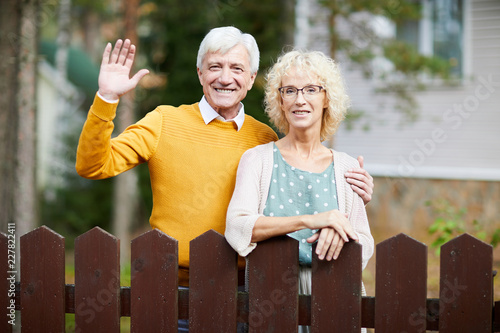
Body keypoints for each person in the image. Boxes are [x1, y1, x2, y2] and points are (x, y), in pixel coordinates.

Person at [76, 26, 374, 328]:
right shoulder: (165, 122)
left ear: (251, 77)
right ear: (200, 73)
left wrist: (355, 193)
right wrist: (107, 98)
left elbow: (302, 196)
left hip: (249, 291)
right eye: (215, 66)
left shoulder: (263, 139)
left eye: (236, 68)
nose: (225, 78)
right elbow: (93, 165)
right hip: (173, 289)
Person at [225, 50, 374, 332]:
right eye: (290, 90)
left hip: (334, 296)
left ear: (327, 98)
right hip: (270, 299)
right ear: (280, 101)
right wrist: (312, 220)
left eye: (311, 90)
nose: (300, 99)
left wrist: (341, 231)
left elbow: (364, 244)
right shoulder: (257, 159)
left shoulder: (347, 166)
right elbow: (237, 227)